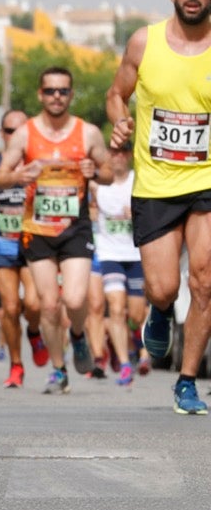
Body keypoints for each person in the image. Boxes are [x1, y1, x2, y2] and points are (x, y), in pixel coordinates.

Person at [106, 0, 211, 414]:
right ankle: (162, 310)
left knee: (205, 281)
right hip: (155, 183)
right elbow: (116, 94)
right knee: (164, 287)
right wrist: (120, 122)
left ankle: (187, 381)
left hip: (206, 180)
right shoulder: (144, 42)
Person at [0, 66, 113, 395]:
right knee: (48, 305)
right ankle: (59, 370)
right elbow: (0, 177)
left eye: (63, 91)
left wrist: (95, 171)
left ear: (71, 95)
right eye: (50, 91)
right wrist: (21, 176)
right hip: (37, 228)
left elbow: (108, 174)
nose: (56, 97)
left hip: (75, 227)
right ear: (40, 94)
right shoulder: (25, 134)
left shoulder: (87, 133)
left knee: (75, 299)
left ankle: (77, 336)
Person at [0, 108, 48, 388]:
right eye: (9, 131)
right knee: (9, 306)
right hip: (2, 243)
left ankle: (34, 331)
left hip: (33, 241)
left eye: (20, 130)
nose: (14, 135)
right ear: (2, 134)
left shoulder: (39, 163)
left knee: (33, 303)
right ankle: (16, 365)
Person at [91, 148, 147, 385]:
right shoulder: (97, 184)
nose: (118, 157)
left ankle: (130, 340)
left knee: (135, 313)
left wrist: (137, 215)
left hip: (135, 254)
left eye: (123, 152)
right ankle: (125, 364)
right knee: (115, 307)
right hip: (109, 254)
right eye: (113, 153)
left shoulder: (138, 181)